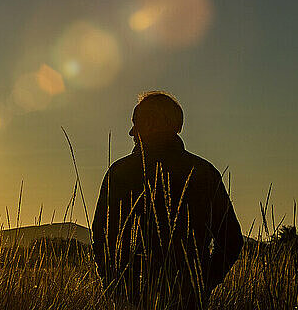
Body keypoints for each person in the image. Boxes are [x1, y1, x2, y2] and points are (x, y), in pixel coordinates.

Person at [92, 91, 243, 309]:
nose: (131, 132)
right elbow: (232, 241)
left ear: (153, 123)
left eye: (136, 123)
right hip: (190, 302)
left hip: (133, 301)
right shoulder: (203, 171)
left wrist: (116, 289)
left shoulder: (121, 172)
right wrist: (201, 284)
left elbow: (103, 239)